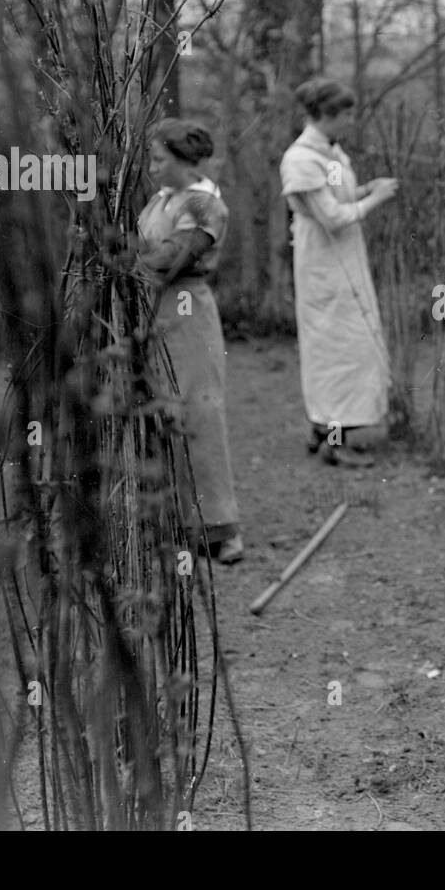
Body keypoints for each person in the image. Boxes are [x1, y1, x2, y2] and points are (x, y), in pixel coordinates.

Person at [137, 117, 244, 564]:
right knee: (164, 414)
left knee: (199, 413)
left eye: (159, 159)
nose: (152, 167)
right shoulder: (164, 199)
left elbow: (168, 261)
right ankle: (178, 521)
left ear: (183, 161)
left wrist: (122, 255)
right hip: (155, 316)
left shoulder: (203, 206)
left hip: (188, 313)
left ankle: (220, 528)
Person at [280, 78, 399, 468]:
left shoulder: (328, 152)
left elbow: (335, 200)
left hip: (343, 259)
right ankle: (333, 439)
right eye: (345, 113)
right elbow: (332, 218)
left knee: (347, 346)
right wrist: (377, 200)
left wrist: (364, 190)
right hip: (325, 263)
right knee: (335, 350)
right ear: (325, 115)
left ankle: (324, 431)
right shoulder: (302, 159)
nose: (350, 120)